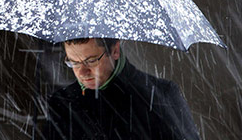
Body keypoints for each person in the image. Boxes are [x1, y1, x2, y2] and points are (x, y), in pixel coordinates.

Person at [43, 37, 200, 140]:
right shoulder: (61, 104)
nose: (82, 72)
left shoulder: (160, 95)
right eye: (73, 62)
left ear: (115, 51)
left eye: (90, 61)